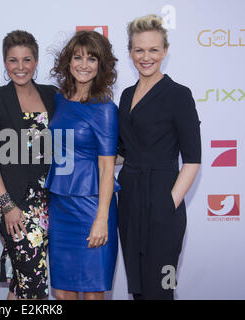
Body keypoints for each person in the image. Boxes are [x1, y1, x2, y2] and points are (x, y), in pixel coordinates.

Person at [116, 14, 201, 300]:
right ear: (130, 52)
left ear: (165, 51)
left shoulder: (179, 95)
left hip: (163, 202)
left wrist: (169, 204)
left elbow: (192, 160)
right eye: (139, 50)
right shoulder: (126, 96)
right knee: (138, 290)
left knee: (163, 289)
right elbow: (123, 152)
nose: (146, 56)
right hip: (129, 202)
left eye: (153, 49)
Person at [0, 30, 55, 300]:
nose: (20, 68)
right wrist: (7, 205)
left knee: (23, 282)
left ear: (36, 62)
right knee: (33, 284)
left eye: (27, 60)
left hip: (51, 202)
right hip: (16, 204)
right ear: (4, 63)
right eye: (13, 60)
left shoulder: (52, 94)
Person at [45, 30, 119, 300]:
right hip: (60, 206)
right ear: (68, 62)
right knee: (62, 292)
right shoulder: (58, 101)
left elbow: (107, 169)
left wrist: (101, 219)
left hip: (92, 208)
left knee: (92, 292)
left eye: (91, 59)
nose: (84, 65)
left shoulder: (106, 109)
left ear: (101, 65)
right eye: (78, 57)